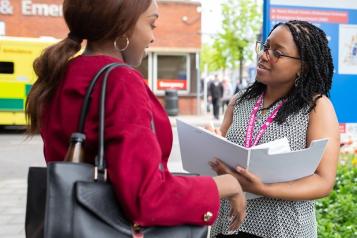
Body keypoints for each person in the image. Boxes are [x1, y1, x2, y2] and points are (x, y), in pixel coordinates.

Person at [25, 0, 246, 230]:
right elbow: (146, 198)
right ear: (123, 25)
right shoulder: (120, 81)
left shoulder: (62, 73)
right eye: (152, 24)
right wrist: (225, 185)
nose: (152, 38)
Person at [208, 20, 340, 237]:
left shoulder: (317, 107)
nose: (264, 55)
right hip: (228, 225)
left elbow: (323, 181)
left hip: (282, 229)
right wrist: (212, 143)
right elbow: (221, 156)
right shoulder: (239, 101)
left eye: (278, 53)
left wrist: (262, 189)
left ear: (303, 66)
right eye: (266, 46)